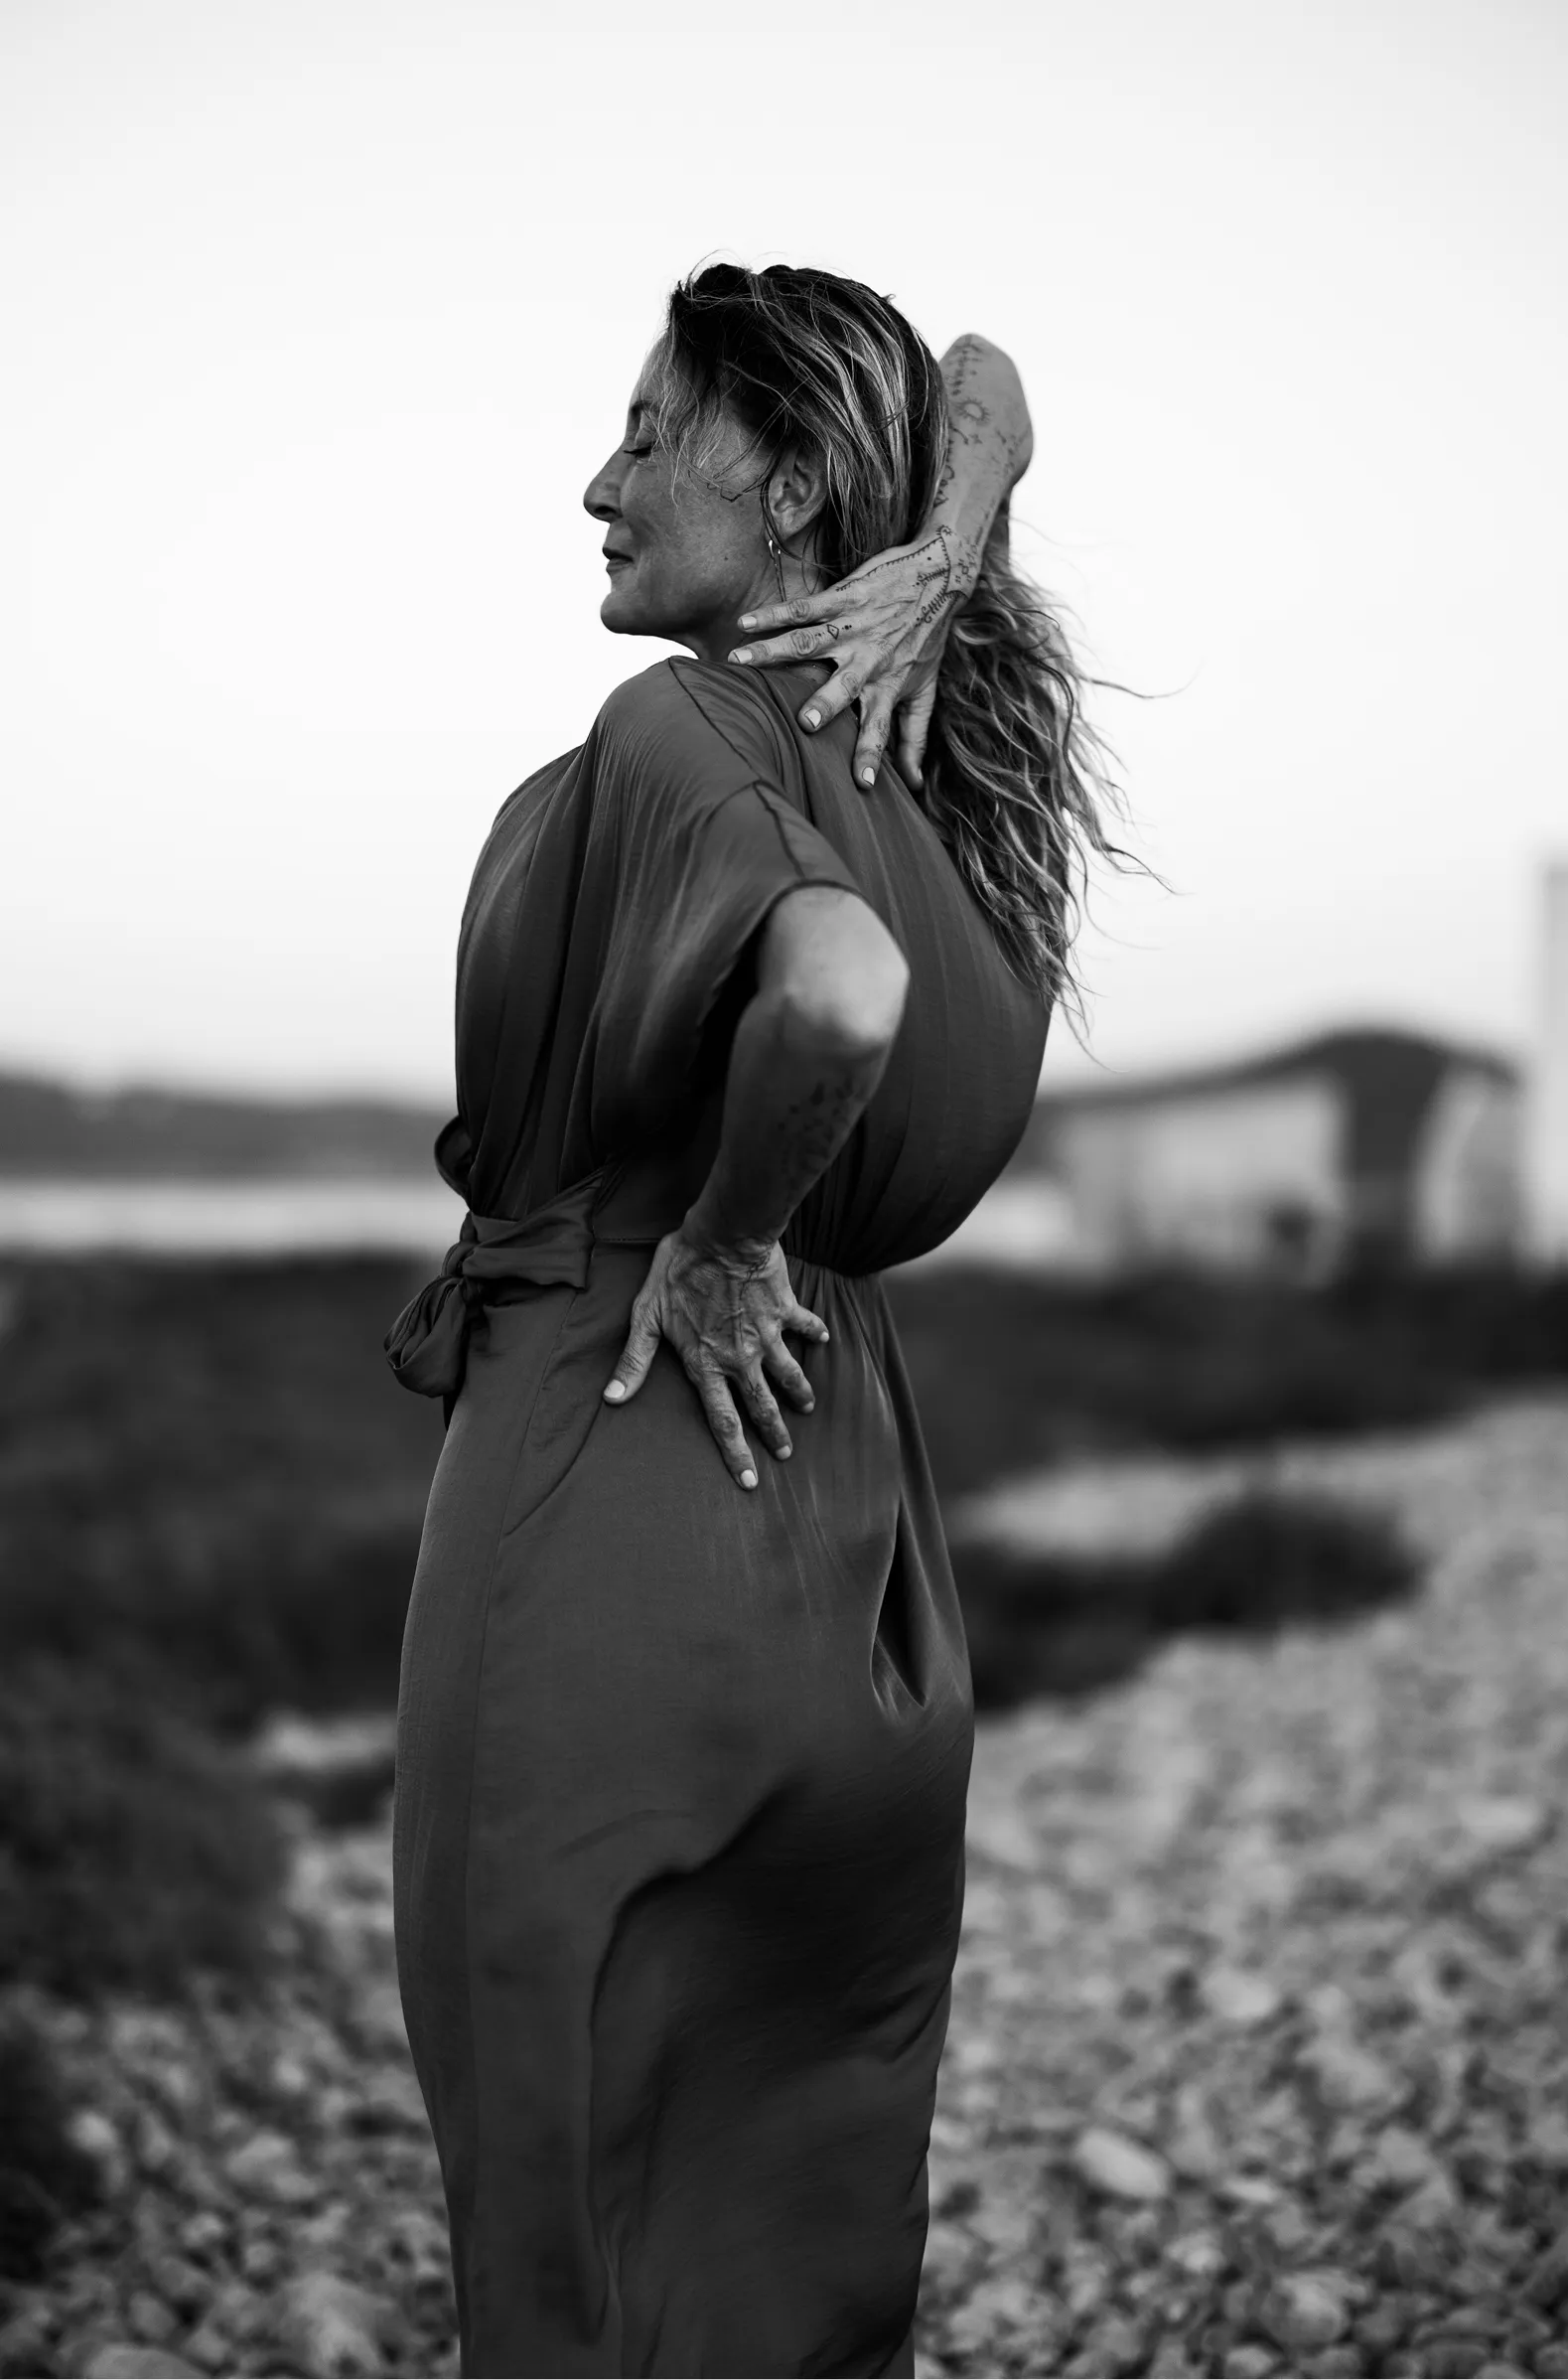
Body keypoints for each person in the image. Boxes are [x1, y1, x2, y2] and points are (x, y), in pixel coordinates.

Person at [385, 261, 1122, 2379]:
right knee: (787, 2230)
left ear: (791, 478)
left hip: (615, 1481)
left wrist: (716, 1236)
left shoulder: (685, 724)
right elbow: (982, 372)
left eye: (648, 431)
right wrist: (941, 551)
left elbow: (829, 997)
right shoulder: (937, 785)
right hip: (855, 1550)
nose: (596, 481)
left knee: (561, 2224)